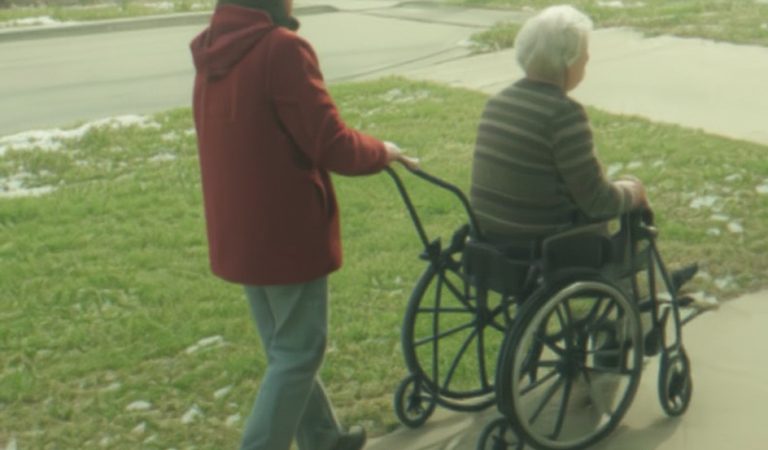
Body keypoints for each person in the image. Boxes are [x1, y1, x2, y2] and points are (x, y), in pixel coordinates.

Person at [189, 1, 416, 449]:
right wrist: (383, 150)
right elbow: (331, 143)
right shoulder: (281, 49)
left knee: (284, 348)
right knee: (298, 352)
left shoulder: (214, 48)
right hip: (284, 229)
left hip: (239, 227)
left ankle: (322, 438)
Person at [469, 5, 648, 246]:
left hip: (491, 239)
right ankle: (645, 274)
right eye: (584, 55)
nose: (587, 59)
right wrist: (634, 191)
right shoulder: (563, 114)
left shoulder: (498, 102)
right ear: (568, 61)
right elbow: (598, 202)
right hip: (545, 242)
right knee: (631, 199)